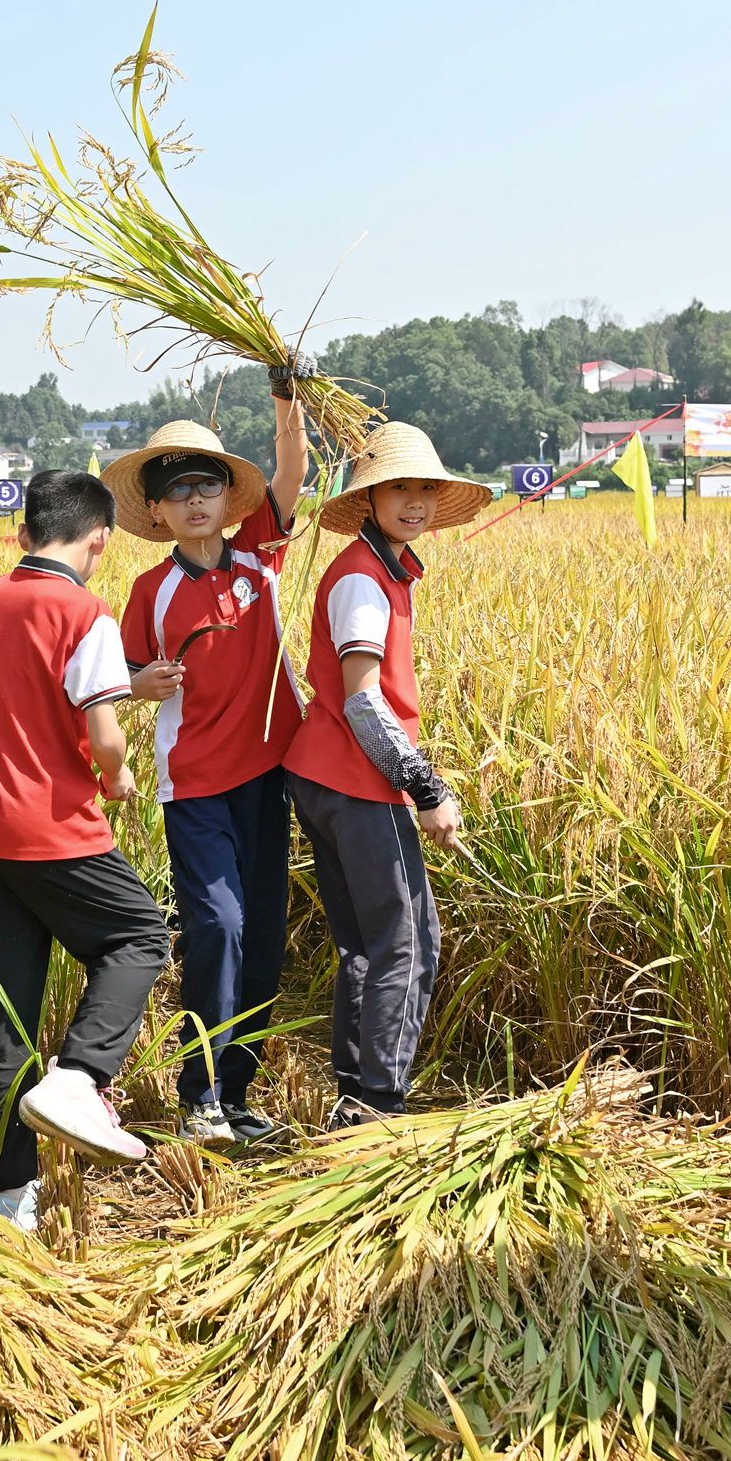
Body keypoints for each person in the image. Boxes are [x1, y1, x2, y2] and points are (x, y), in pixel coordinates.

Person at [0, 469, 172, 1231]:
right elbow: (104, 731)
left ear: (23, 533)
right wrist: (119, 775)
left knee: (3, 1018)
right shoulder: (86, 611)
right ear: (100, 539)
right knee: (139, 935)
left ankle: (8, 1197)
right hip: (51, 828)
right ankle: (80, 1078)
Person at [108, 383, 310, 1147]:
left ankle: (235, 1091)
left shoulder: (261, 553)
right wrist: (139, 684)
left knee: (261, 936)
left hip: (267, 777)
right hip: (194, 785)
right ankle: (197, 1096)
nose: (196, 501)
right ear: (156, 511)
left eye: (208, 486)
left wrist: (285, 392)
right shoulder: (150, 591)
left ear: (230, 499)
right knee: (218, 928)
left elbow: (291, 469)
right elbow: (115, 682)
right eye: (178, 491)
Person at [283, 421, 489, 1127]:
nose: (416, 501)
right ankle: (377, 1102)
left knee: (367, 943)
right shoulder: (363, 581)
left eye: (426, 488)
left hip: (327, 774)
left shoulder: (381, 569)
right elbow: (364, 697)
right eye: (398, 487)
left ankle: (353, 1091)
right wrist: (425, 787)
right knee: (408, 937)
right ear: (368, 498)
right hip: (354, 778)